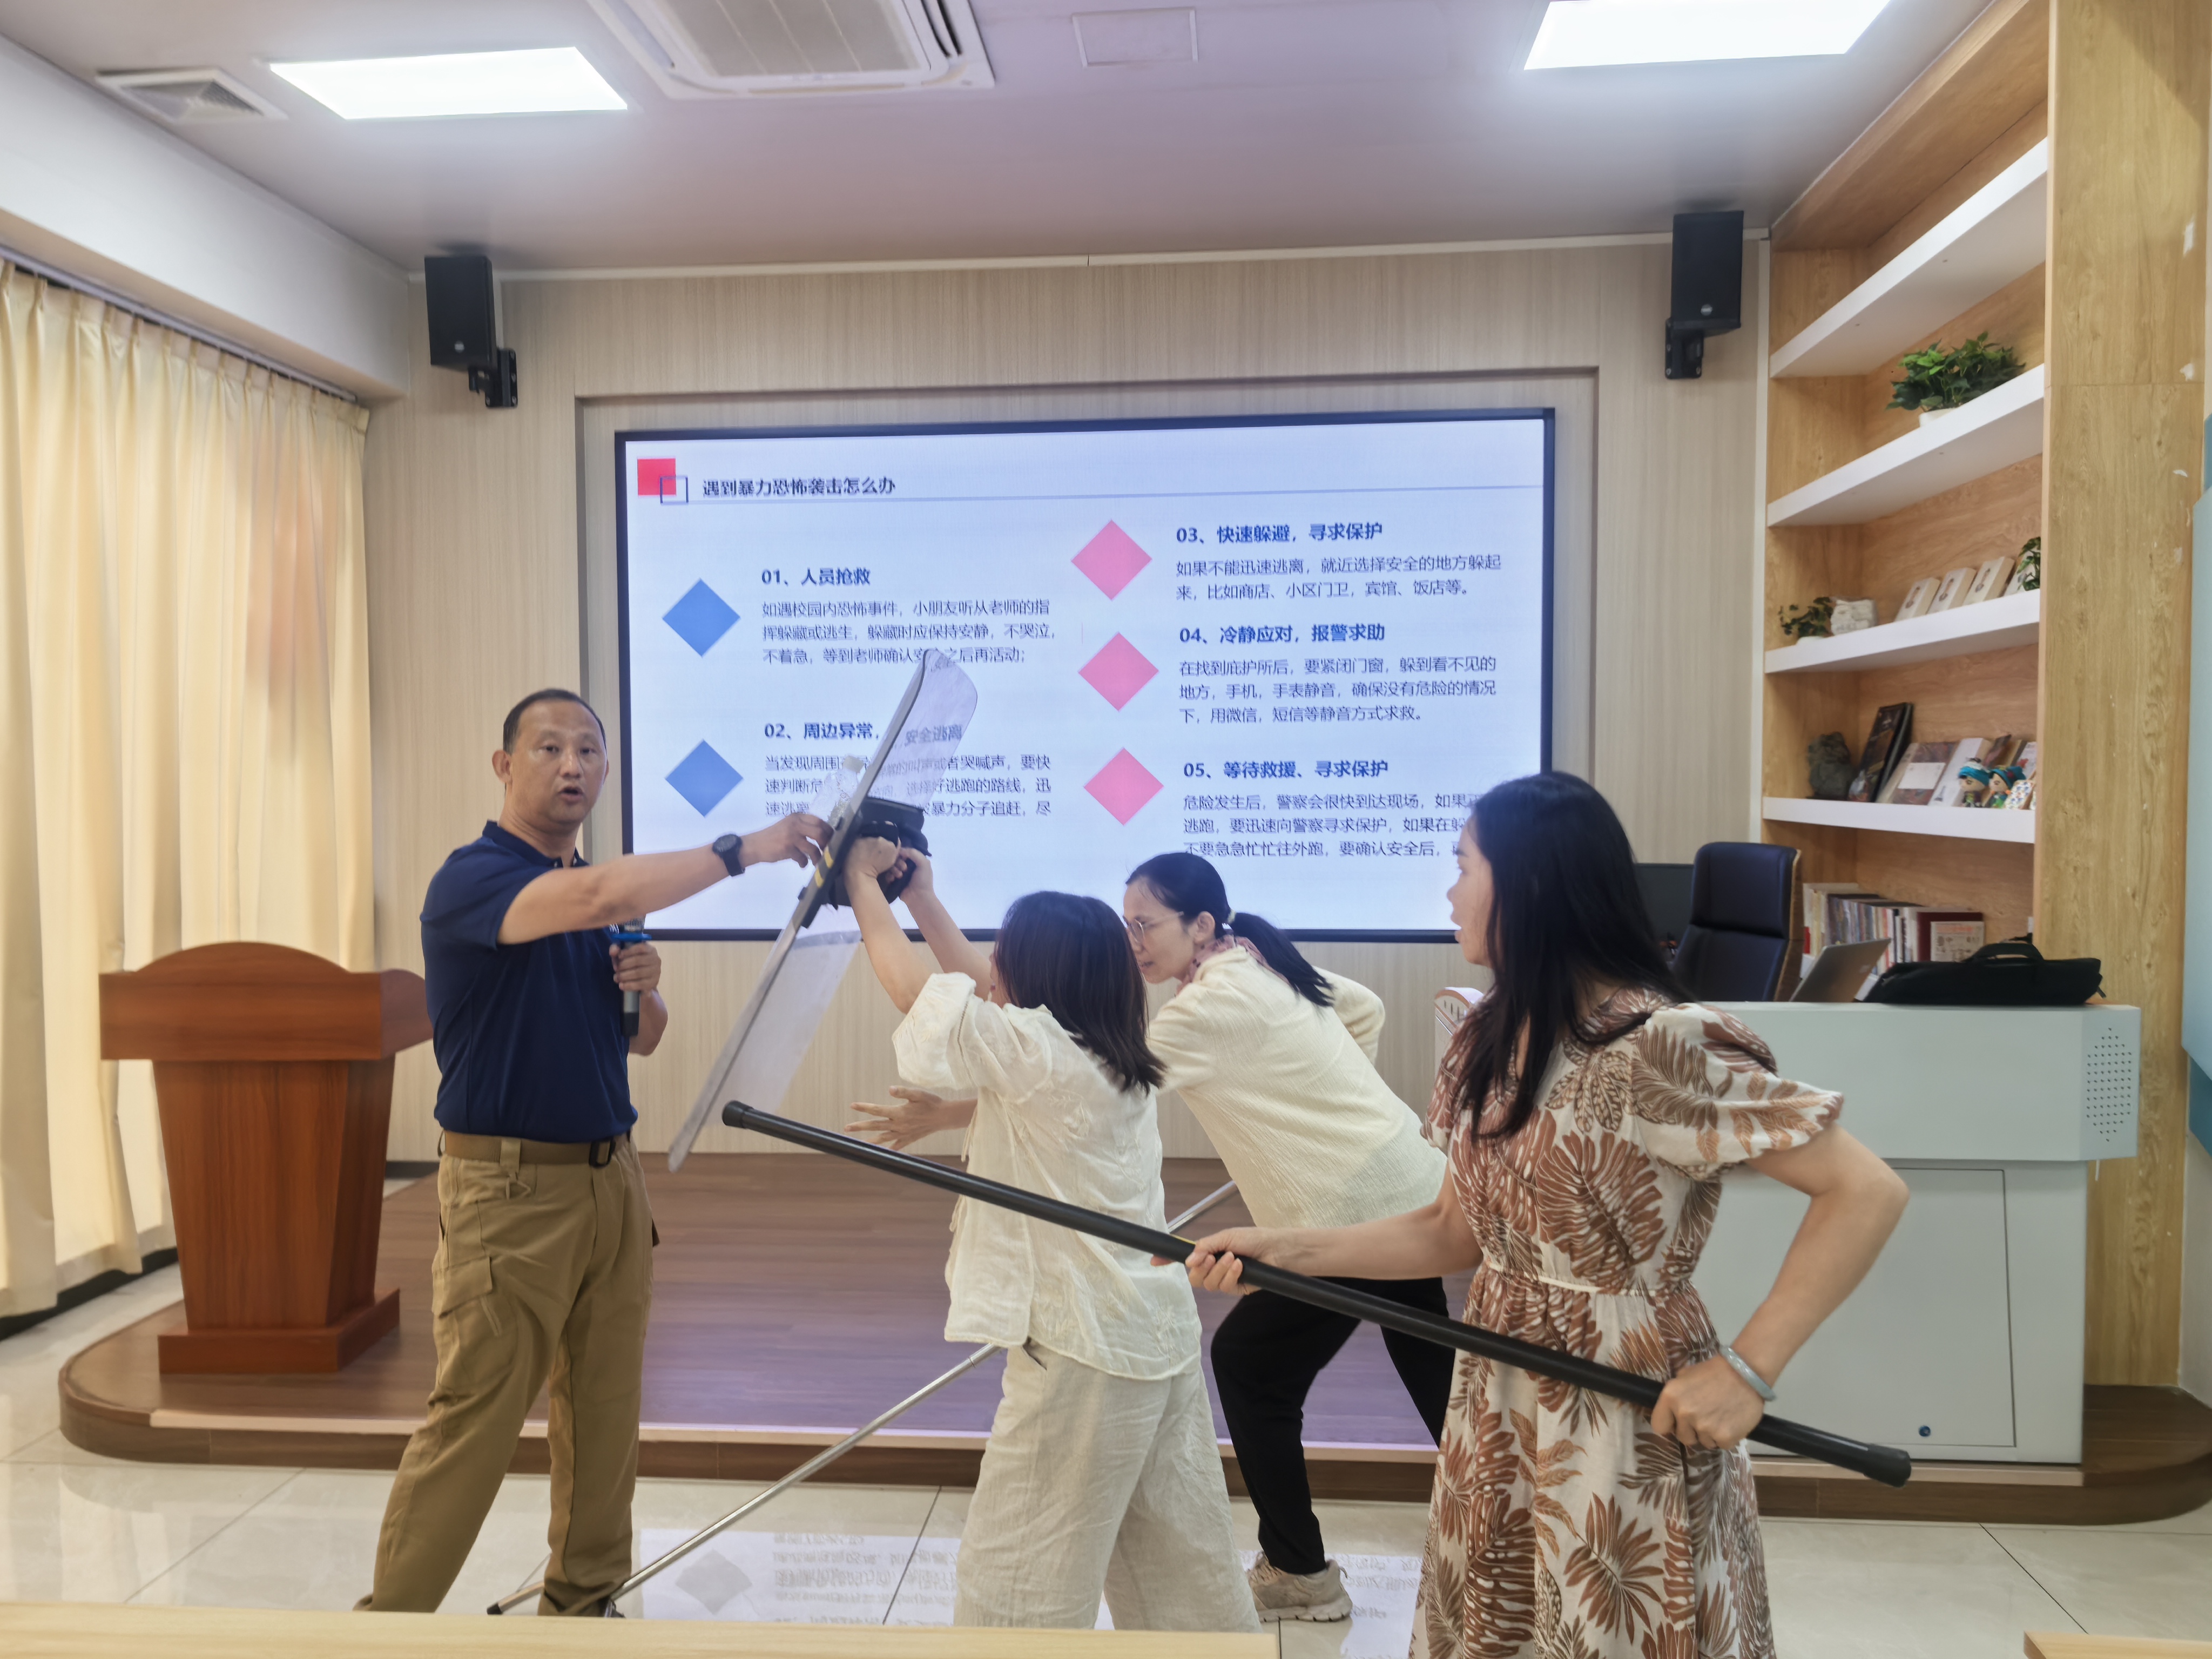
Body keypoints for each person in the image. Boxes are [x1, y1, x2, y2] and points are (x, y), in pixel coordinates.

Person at [1177, 773, 1908, 1659]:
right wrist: (1281, 1250)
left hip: (1623, 1393)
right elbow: (1451, 1233)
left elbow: (1865, 1190)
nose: (1449, 893)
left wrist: (1748, 1372)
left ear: (1526, 884)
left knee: (1609, 1626)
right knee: (1502, 1619)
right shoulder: (1490, 1037)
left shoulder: (1662, 1044)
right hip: (1498, 1384)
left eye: (1464, 867)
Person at [360, 688, 826, 1616]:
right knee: (475, 1419)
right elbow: (599, 895)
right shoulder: (476, 880)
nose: (572, 765)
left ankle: (583, 1605)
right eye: (549, 748)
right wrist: (747, 848)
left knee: (606, 1414)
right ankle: (390, 1627)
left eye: (588, 750)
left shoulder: (601, 897)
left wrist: (646, 987)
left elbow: (641, 1037)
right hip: (509, 1194)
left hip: (611, 1180)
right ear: (505, 766)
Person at [838, 838, 1259, 1635]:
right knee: (1182, 1574)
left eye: (1007, 954)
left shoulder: (1039, 1053)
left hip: (1082, 1354)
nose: (992, 965)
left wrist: (861, 884)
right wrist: (921, 895)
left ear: (1040, 978)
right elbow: (983, 993)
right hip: (1153, 1340)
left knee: (1017, 1583)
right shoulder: (1109, 1053)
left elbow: (921, 995)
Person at [1120, 851, 1451, 1624]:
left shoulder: (1201, 1009)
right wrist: (1325, 1094)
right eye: (1126, 926)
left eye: (1145, 925)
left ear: (1200, 925)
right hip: (1404, 1180)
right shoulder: (1259, 960)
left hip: (1347, 1212)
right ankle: (1530, 1533)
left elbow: (1106, 1087)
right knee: (1435, 1367)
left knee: (1250, 1364)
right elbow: (1363, 1008)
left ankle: (1300, 1572)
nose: (1133, 942)